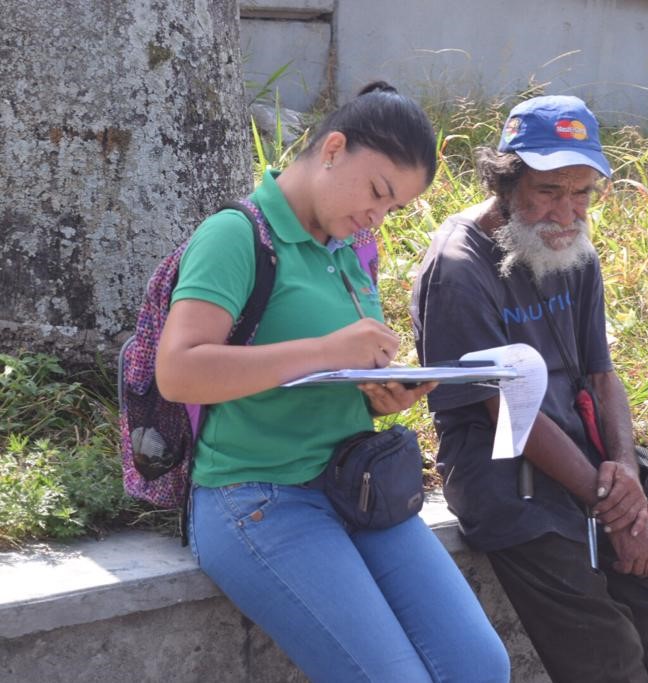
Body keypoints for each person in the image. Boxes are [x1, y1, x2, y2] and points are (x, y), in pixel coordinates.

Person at [154, 82, 510, 683]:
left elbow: (322, 371)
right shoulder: (236, 236)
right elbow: (179, 371)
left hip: (355, 487)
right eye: (377, 191)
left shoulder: (349, 247)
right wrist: (326, 350)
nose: (377, 215)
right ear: (333, 148)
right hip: (259, 497)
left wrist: (377, 391)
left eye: (392, 208)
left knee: (480, 665)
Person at [412, 95, 648, 683]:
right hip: (506, 475)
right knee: (606, 651)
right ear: (507, 179)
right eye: (549, 190)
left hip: (591, 465)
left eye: (582, 193)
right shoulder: (458, 266)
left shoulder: (572, 247)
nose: (567, 211)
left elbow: (601, 374)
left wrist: (623, 470)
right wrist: (616, 510)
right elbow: (508, 412)